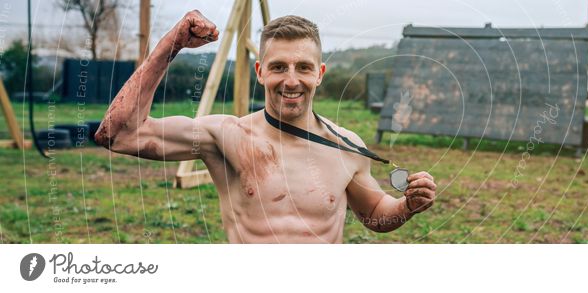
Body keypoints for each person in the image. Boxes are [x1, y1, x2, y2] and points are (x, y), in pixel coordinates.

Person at [95, 10, 437, 243]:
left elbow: (375, 214)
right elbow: (119, 134)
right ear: (260, 72)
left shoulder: (348, 146)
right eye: (278, 67)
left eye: (303, 67)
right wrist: (171, 45)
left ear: (319, 74)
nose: (291, 81)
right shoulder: (226, 136)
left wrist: (407, 206)